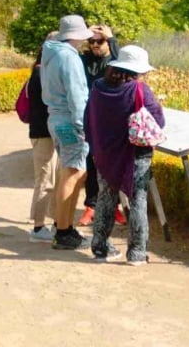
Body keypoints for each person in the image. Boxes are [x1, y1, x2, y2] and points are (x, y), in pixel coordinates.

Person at [83, 44, 165, 266]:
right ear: (137, 70)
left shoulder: (98, 87)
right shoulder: (139, 90)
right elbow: (158, 120)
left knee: (105, 198)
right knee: (138, 200)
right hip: (135, 154)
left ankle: (100, 247)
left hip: (105, 153)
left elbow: (87, 117)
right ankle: (137, 252)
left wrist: (94, 146)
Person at [40, 13, 95, 250]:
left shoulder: (51, 54)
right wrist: (84, 126)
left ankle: (64, 227)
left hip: (56, 118)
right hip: (70, 120)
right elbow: (77, 95)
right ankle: (63, 232)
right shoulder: (69, 57)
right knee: (72, 174)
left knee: (71, 173)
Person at [78, 25, 125, 228]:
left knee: (112, 165)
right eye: (92, 41)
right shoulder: (84, 59)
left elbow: (125, 64)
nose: (95, 45)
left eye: (100, 41)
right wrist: (83, 36)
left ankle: (114, 206)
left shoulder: (113, 61)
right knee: (90, 162)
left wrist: (112, 39)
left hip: (111, 118)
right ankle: (91, 205)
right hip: (90, 117)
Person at [25, 40, 57, 241]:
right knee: (45, 180)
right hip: (43, 133)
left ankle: (50, 223)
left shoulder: (39, 72)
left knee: (50, 179)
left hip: (43, 132)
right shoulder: (40, 74)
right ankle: (38, 227)